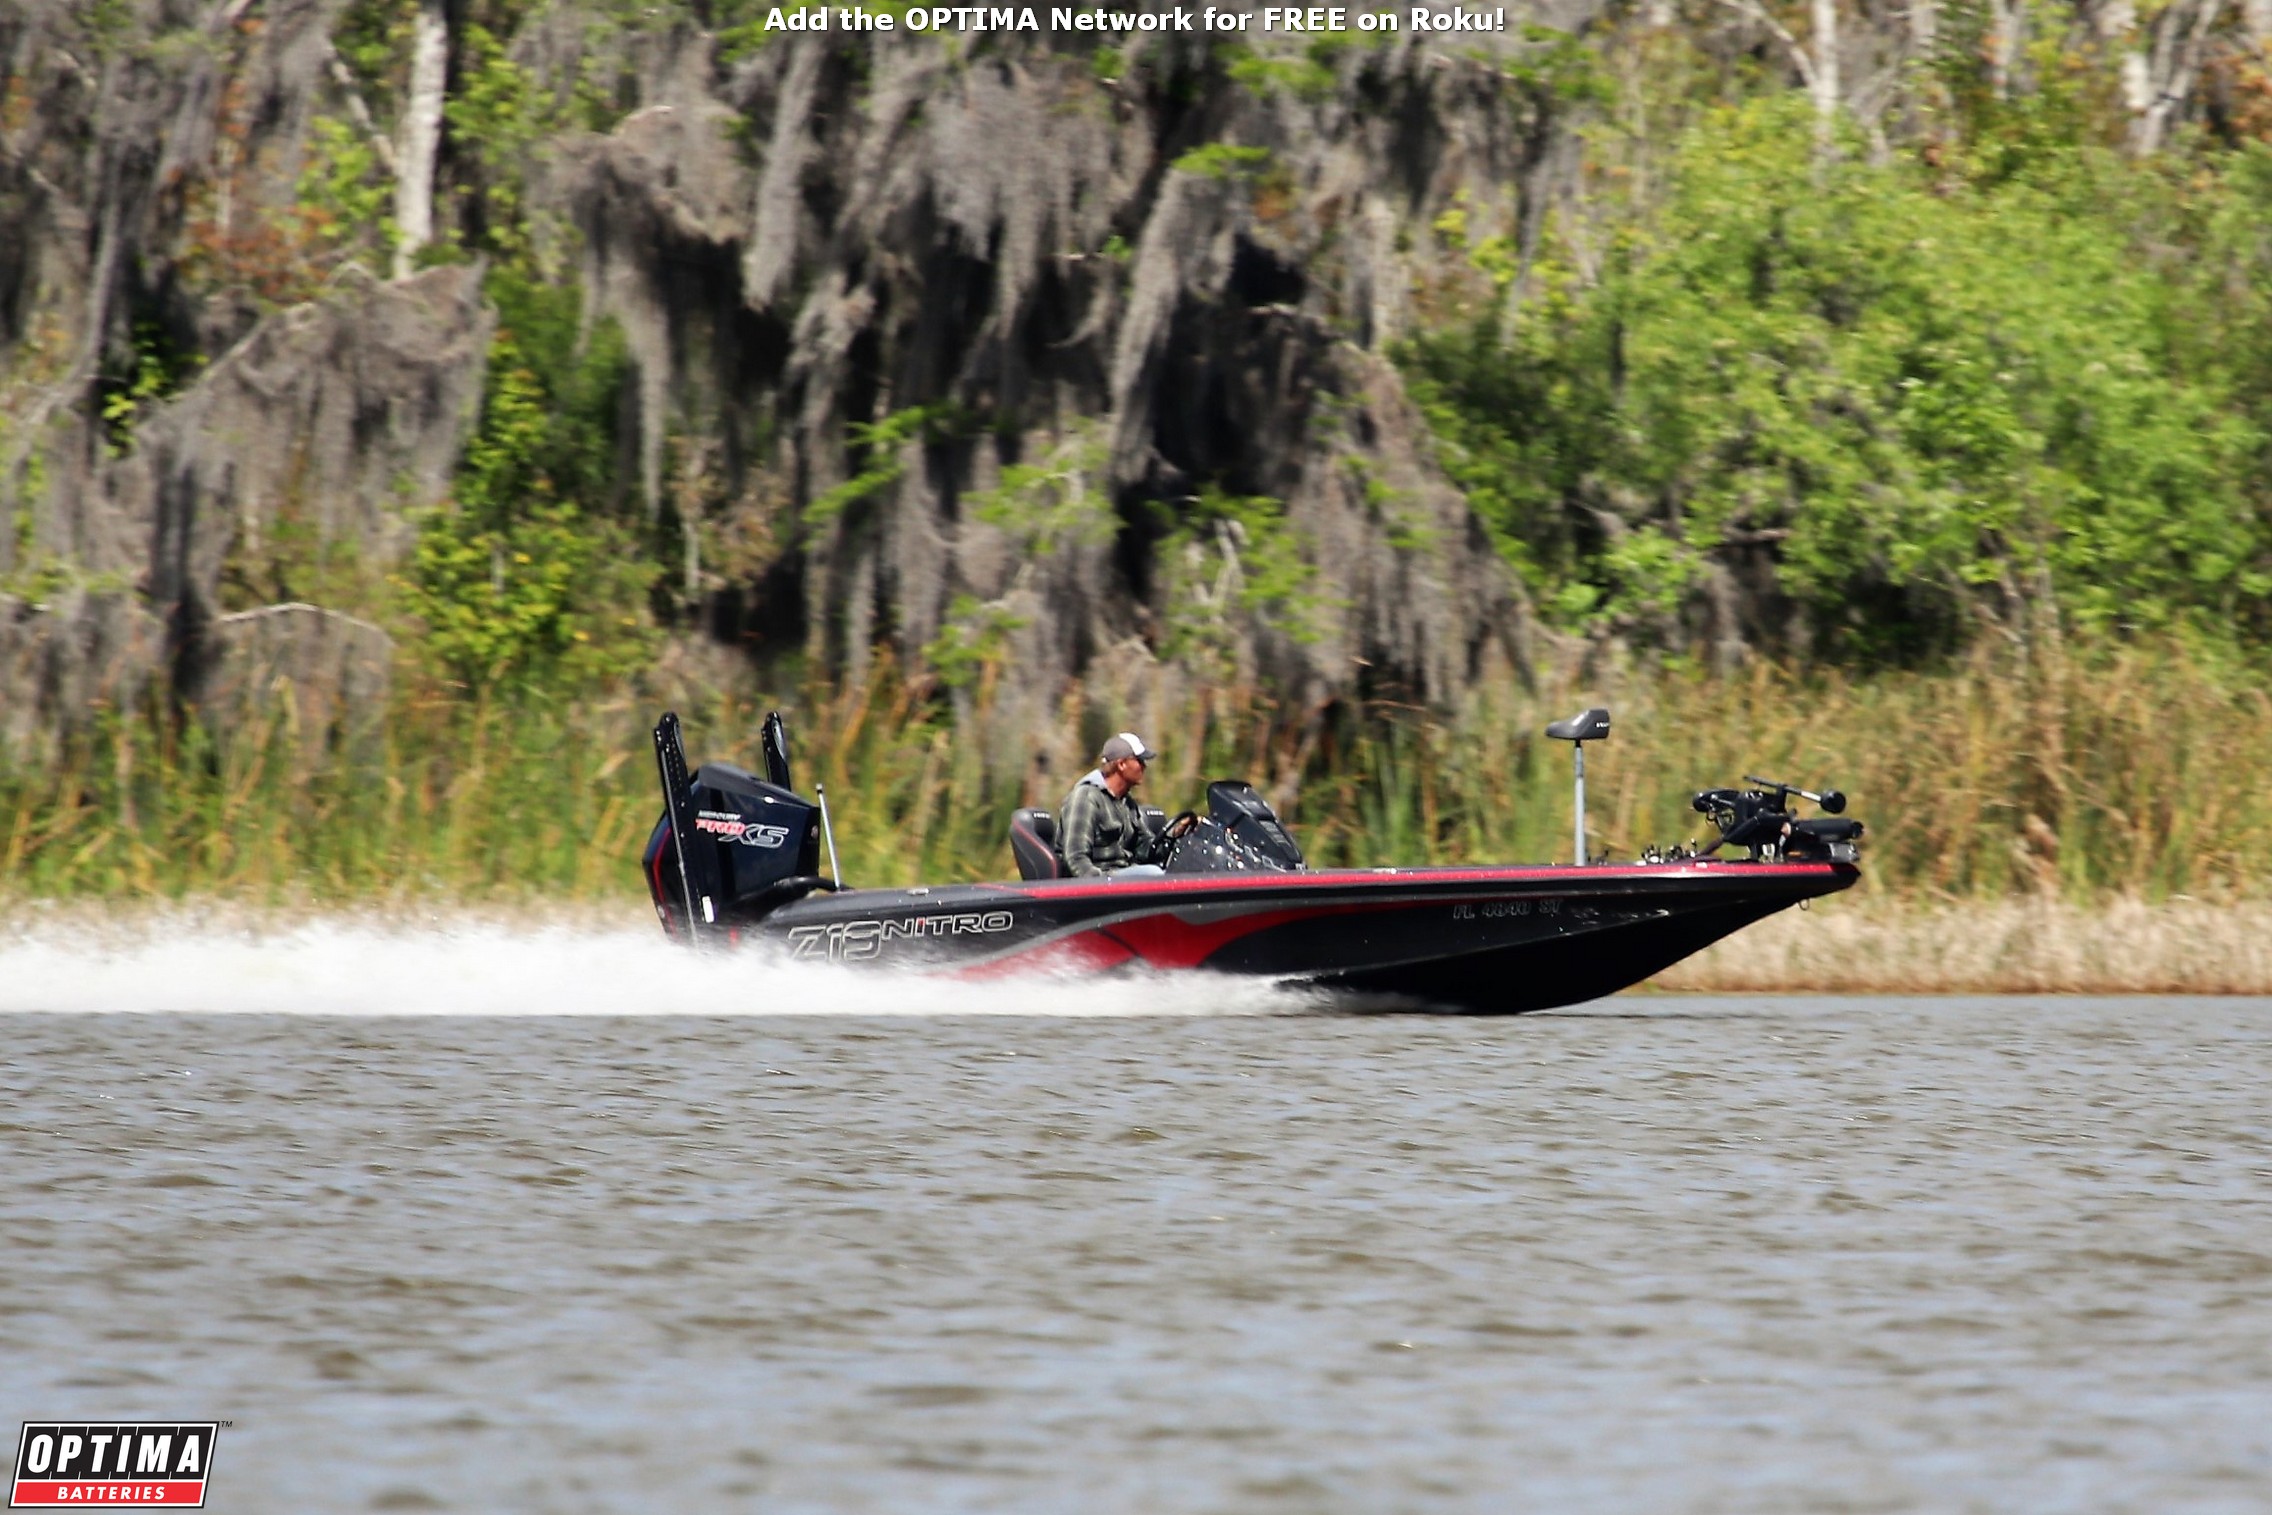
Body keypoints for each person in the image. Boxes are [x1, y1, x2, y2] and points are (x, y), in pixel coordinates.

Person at [1058, 731, 1165, 878]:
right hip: (1102, 885)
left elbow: (1145, 849)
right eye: (1139, 761)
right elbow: (1076, 859)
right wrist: (1102, 887)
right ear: (1121, 764)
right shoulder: (1086, 798)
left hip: (1122, 877)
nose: (1144, 766)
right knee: (1155, 874)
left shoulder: (1127, 803)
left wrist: (1174, 835)